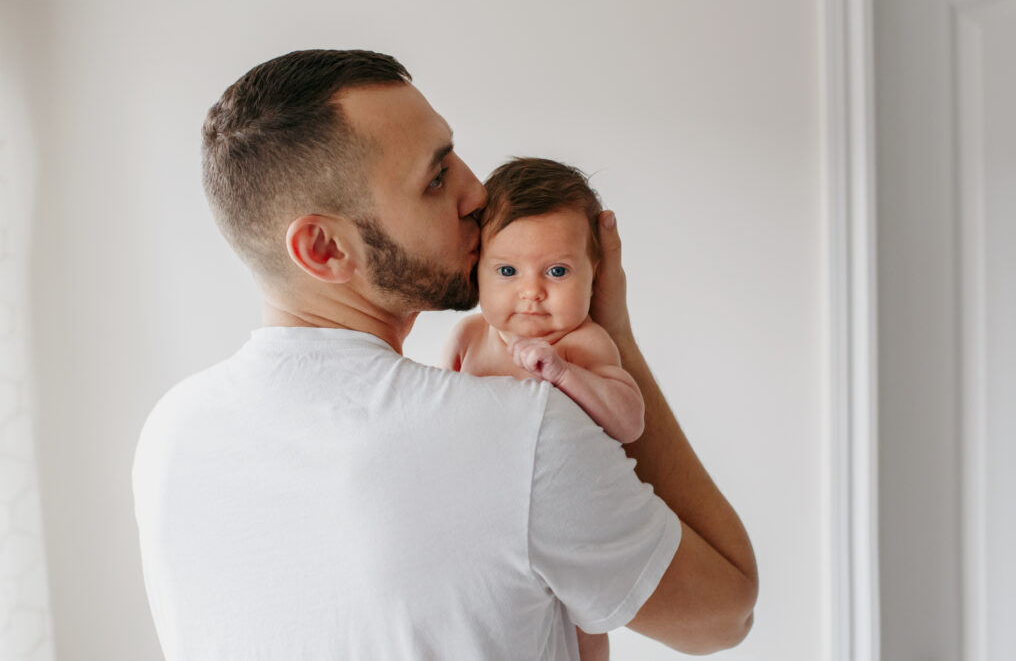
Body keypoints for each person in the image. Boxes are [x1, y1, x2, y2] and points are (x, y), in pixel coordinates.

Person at [132, 49, 758, 661]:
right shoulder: (521, 433)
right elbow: (724, 614)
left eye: (454, 157)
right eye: (436, 178)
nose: (478, 192)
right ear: (324, 248)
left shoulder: (170, 432)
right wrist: (608, 330)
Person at [442, 157, 644, 660]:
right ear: (476, 272)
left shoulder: (583, 344)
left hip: (571, 531)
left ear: (595, 277)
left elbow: (629, 420)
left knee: (582, 631)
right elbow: (437, 412)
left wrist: (563, 374)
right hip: (484, 527)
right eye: (507, 270)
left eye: (557, 271)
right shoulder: (470, 336)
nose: (531, 291)